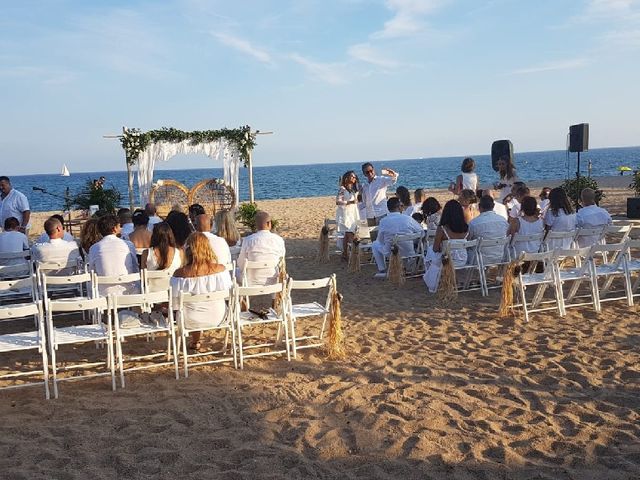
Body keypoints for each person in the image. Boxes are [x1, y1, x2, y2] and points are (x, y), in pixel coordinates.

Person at [171, 232, 233, 351]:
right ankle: (196, 340)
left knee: (190, 309)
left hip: (189, 320)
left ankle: (195, 341)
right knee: (201, 306)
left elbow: (175, 305)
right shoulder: (221, 270)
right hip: (218, 317)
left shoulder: (180, 274)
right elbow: (228, 295)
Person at [423, 200, 470, 293]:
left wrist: (441, 247)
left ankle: (431, 277)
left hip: (447, 261)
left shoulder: (443, 229)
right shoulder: (466, 229)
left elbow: (435, 249)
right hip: (463, 260)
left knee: (429, 251)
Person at [371, 197, 423, 278]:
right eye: (401, 206)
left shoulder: (383, 221)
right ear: (399, 207)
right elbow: (421, 232)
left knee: (375, 244)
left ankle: (382, 269)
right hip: (409, 253)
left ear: (388, 209)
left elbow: (380, 240)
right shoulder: (407, 219)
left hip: (391, 253)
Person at [88, 215, 139, 295]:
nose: (121, 228)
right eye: (119, 226)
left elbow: (92, 270)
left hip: (104, 293)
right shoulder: (128, 244)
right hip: (128, 291)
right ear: (114, 229)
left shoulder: (94, 248)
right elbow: (135, 266)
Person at [237, 211, 285, 286]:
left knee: (234, 272)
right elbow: (281, 260)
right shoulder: (278, 240)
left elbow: (241, 264)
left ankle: (243, 296)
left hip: (250, 281)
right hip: (274, 279)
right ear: (269, 224)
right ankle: (273, 296)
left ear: (256, 225)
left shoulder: (248, 240)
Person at [141, 222, 183, 292]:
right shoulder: (179, 253)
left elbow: (143, 278)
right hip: (174, 295)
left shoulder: (146, 253)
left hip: (152, 296)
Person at [468, 195, 509, 265]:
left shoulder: (474, 223)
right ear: (493, 206)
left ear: (479, 206)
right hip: (499, 257)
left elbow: (469, 240)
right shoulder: (503, 221)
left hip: (479, 259)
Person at [335, 170, 360, 260]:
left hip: (352, 213)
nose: (354, 178)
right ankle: (353, 253)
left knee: (347, 234)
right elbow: (338, 201)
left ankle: (345, 253)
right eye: (352, 177)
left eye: (354, 177)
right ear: (347, 178)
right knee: (350, 233)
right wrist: (350, 202)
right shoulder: (343, 189)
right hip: (346, 214)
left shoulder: (353, 189)